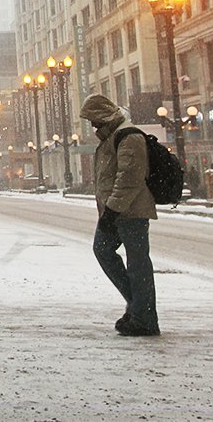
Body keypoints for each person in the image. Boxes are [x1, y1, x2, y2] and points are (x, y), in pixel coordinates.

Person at [79, 94, 160, 337]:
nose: (93, 126)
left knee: (138, 265)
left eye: (95, 120)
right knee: (102, 250)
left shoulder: (129, 135)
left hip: (131, 212)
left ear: (105, 116)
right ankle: (138, 309)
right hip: (114, 211)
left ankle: (144, 319)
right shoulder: (111, 136)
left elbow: (129, 178)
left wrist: (112, 209)